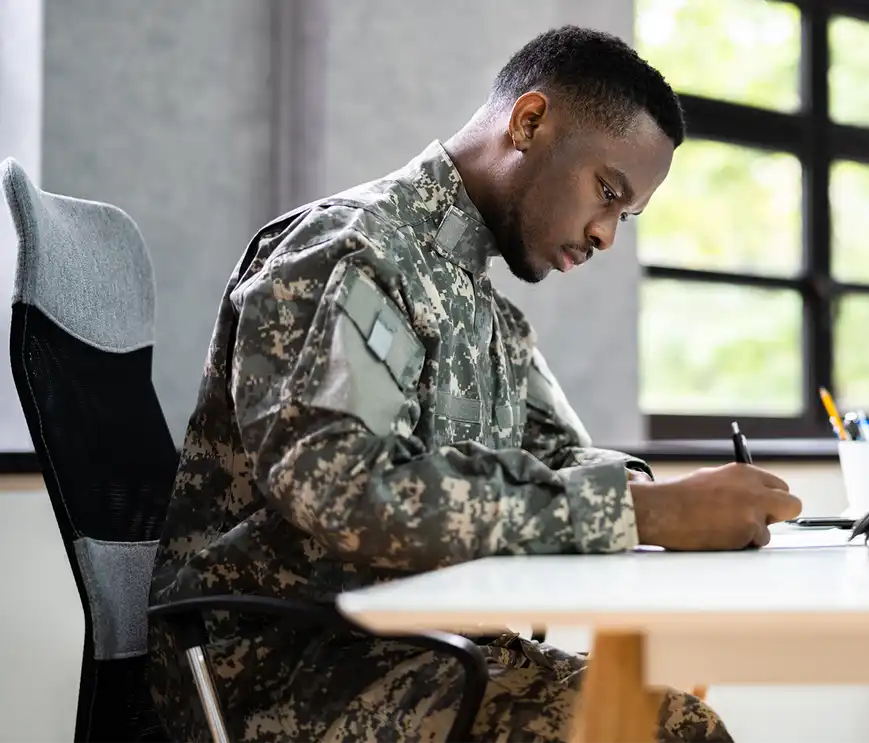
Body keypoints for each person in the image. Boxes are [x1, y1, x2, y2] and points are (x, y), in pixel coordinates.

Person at [147, 25, 802, 743]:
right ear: (529, 123)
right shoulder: (355, 251)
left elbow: (563, 458)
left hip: (424, 653)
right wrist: (643, 513)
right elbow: (345, 489)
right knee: (669, 732)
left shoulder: (483, 308)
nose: (608, 235)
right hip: (292, 680)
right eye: (607, 193)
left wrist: (673, 499)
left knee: (674, 721)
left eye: (626, 215)